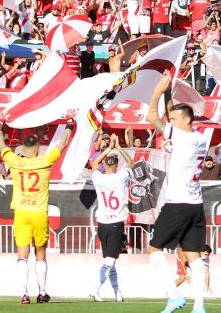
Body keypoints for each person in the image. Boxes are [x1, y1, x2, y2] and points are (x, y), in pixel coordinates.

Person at [146, 71, 210, 313]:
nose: (169, 121)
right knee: (193, 256)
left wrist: (156, 92)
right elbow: (173, 113)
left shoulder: (182, 138)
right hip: (196, 205)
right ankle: (200, 307)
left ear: (185, 121)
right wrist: (168, 93)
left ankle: (174, 295)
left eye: (173, 119)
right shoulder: (199, 138)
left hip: (178, 203)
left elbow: (152, 116)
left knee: (154, 250)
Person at [0, 118, 73, 304]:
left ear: (22, 149)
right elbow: (63, 142)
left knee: (22, 254)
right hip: (38, 212)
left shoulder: (14, 161)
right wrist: (69, 123)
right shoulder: (44, 161)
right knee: (40, 253)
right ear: (38, 148)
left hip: (21, 212)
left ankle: (23, 294)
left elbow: (0, 142)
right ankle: (42, 292)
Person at [89, 134, 134, 302]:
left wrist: (108, 148)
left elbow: (94, 164)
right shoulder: (121, 177)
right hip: (116, 222)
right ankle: (95, 288)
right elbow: (131, 164)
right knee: (111, 259)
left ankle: (117, 292)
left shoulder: (98, 177)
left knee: (110, 259)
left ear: (104, 165)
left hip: (102, 223)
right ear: (116, 166)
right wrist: (119, 148)